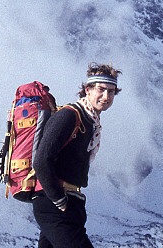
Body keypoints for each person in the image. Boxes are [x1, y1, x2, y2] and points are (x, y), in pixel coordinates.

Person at [31, 62, 122, 248]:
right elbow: (40, 161)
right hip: (54, 204)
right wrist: (59, 199)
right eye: (101, 89)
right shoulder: (69, 116)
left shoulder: (90, 122)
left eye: (111, 92)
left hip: (69, 204)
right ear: (87, 89)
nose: (106, 96)